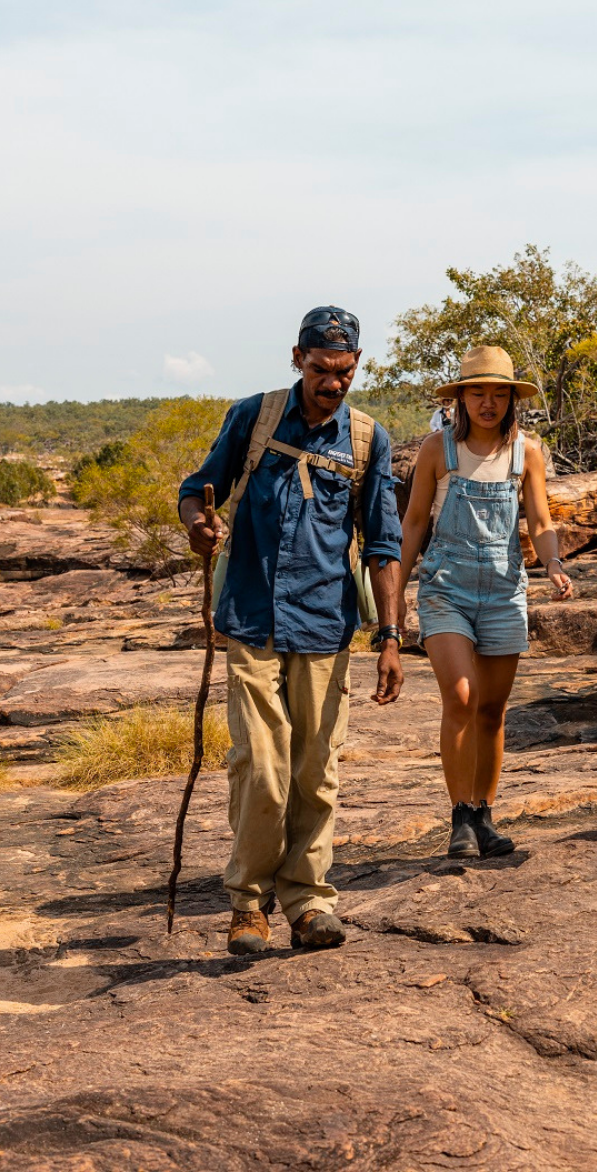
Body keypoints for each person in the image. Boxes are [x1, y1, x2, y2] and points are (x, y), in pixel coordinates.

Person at [179, 306, 405, 954]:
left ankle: (308, 902)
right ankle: (249, 906)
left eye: (343, 372)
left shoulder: (367, 440)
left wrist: (390, 637)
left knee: (315, 771)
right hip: (252, 618)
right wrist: (199, 524)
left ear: (357, 366)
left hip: (325, 626)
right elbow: (198, 491)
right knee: (262, 768)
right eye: (319, 370)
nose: (331, 383)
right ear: (297, 358)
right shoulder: (254, 418)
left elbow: (382, 546)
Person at [397, 346, 572, 858]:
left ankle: (483, 816)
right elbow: (413, 524)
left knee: (493, 710)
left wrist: (555, 564)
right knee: (463, 697)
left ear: (513, 399)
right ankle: (458, 818)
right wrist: (394, 594)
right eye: (478, 391)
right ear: (460, 398)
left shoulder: (528, 453)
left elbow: (539, 523)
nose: (488, 402)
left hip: (503, 591)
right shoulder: (437, 450)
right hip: (445, 588)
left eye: (499, 393)